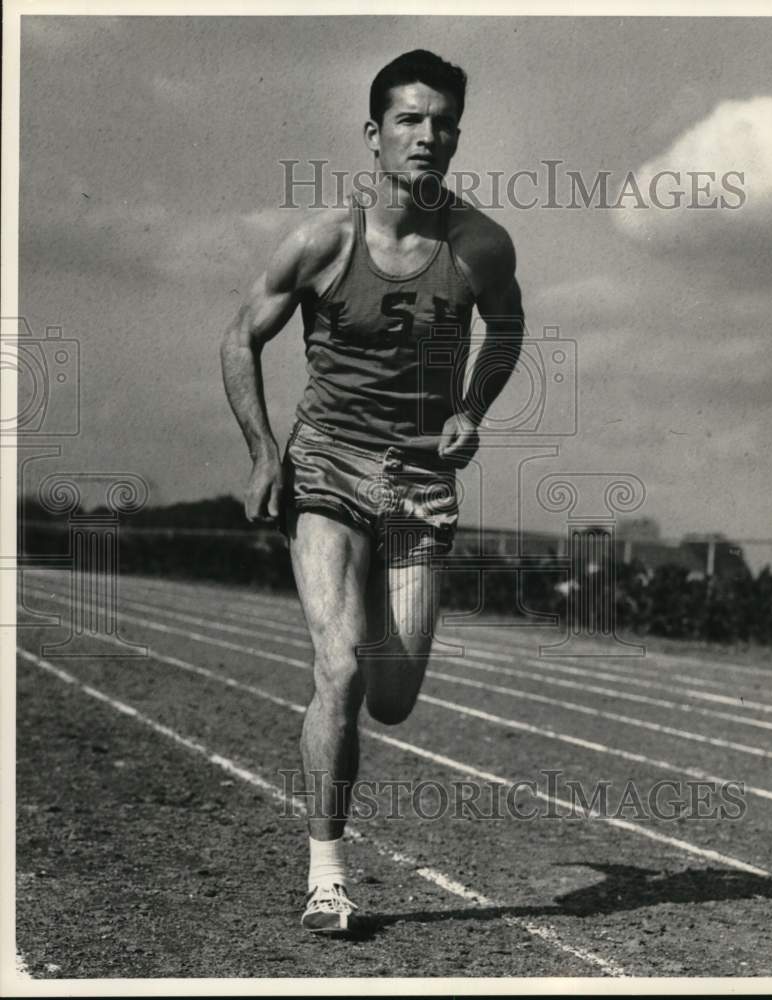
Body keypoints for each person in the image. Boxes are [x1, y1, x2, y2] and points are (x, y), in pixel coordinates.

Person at [220, 49, 524, 935]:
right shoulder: (325, 241)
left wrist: (473, 407)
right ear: (375, 134)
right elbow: (242, 337)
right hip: (328, 464)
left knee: (391, 697)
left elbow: (506, 330)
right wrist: (263, 450)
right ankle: (327, 877)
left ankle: (347, 710)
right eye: (408, 119)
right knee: (342, 667)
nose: (426, 135)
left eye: (441, 123)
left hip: (423, 479)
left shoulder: (481, 246)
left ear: (455, 136)